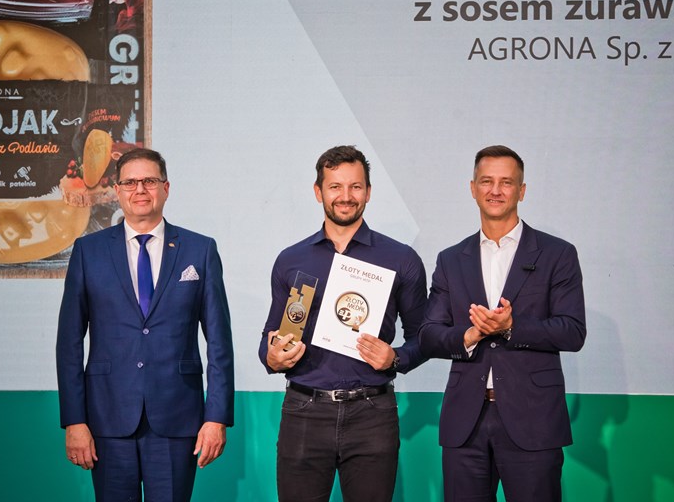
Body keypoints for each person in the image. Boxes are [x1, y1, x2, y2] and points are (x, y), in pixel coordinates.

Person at [56, 147, 234, 501]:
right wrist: (74, 421)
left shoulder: (199, 250)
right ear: (117, 190)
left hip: (177, 418)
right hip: (107, 418)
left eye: (149, 181)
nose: (140, 190)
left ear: (166, 188)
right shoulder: (88, 251)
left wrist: (216, 418)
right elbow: (69, 342)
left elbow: (219, 342)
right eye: (130, 182)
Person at [259, 145, 428, 502]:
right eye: (335, 186)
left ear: (368, 191)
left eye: (355, 186)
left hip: (373, 413)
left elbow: (423, 337)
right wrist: (272, 357)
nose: (346, 196)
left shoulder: (401, 259)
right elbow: (270, 338)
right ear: (318, 191)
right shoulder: (291, 260)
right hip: (304, 411)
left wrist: (395, 358)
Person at [418, 145, 586, 502]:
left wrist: (511, 327)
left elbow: (572, 331)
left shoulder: (558, 254)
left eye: (506, 182)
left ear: (521, 191)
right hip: (465, 423)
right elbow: (429, 334)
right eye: (487, 181)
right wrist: (469, 335)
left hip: (534, 420)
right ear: (473, 188)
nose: (495, 190)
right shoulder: (450, 259)